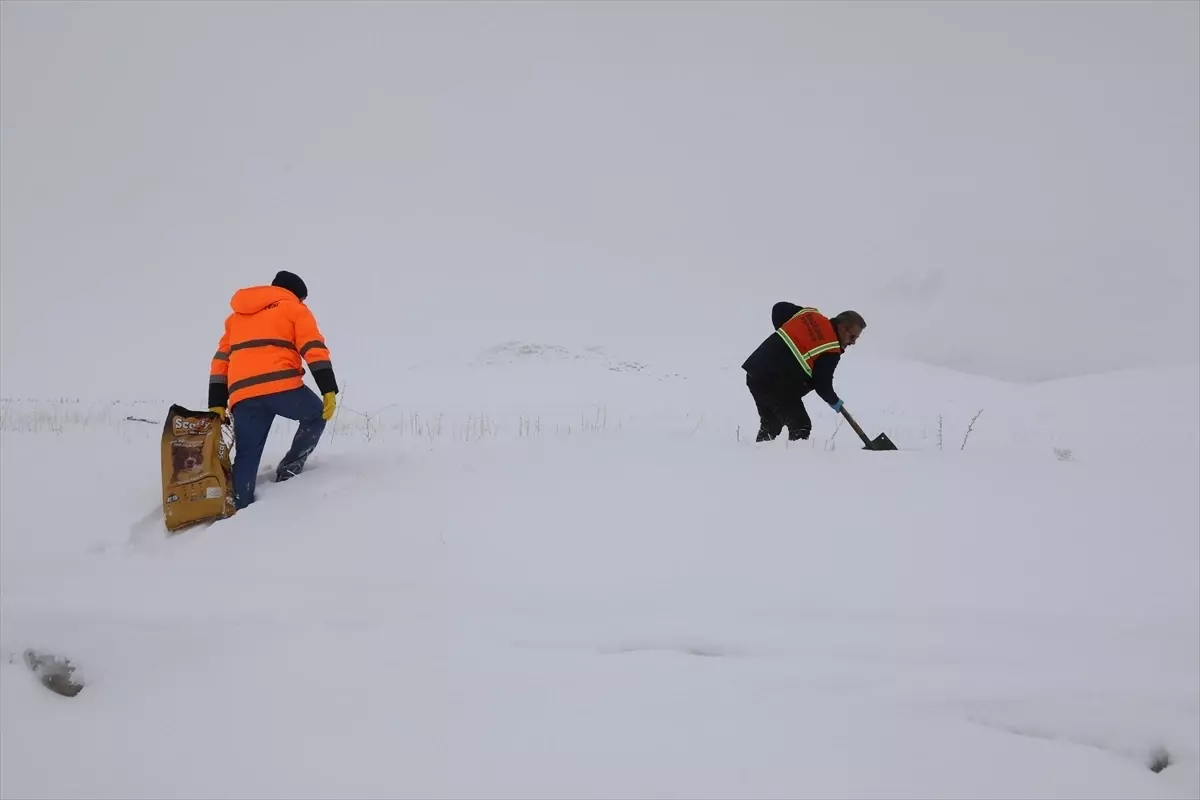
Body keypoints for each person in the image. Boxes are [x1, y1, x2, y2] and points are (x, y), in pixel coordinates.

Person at [207, 270, 339, 509]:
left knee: (247, 455)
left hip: (243, 395)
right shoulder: (294, 309)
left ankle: (238, 505)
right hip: (282, 387)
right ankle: (289, 471)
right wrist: (327, 387)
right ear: (296, 295)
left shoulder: (236, 318)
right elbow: (313, 346)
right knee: (316, 415)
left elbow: (220, 361)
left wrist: (216, 400)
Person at [741, 302, 865, 443]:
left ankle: (757, 456)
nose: (853, 342)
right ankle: (797, 461)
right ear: (842, 328)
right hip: (774, 384)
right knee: (801, 425)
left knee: (772, 424)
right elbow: (822, 385)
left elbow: (779, 308)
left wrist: (786, 341)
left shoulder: (810, 315)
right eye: (853, 337)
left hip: (755, 372)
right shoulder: (831, 349)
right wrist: (835, 402)